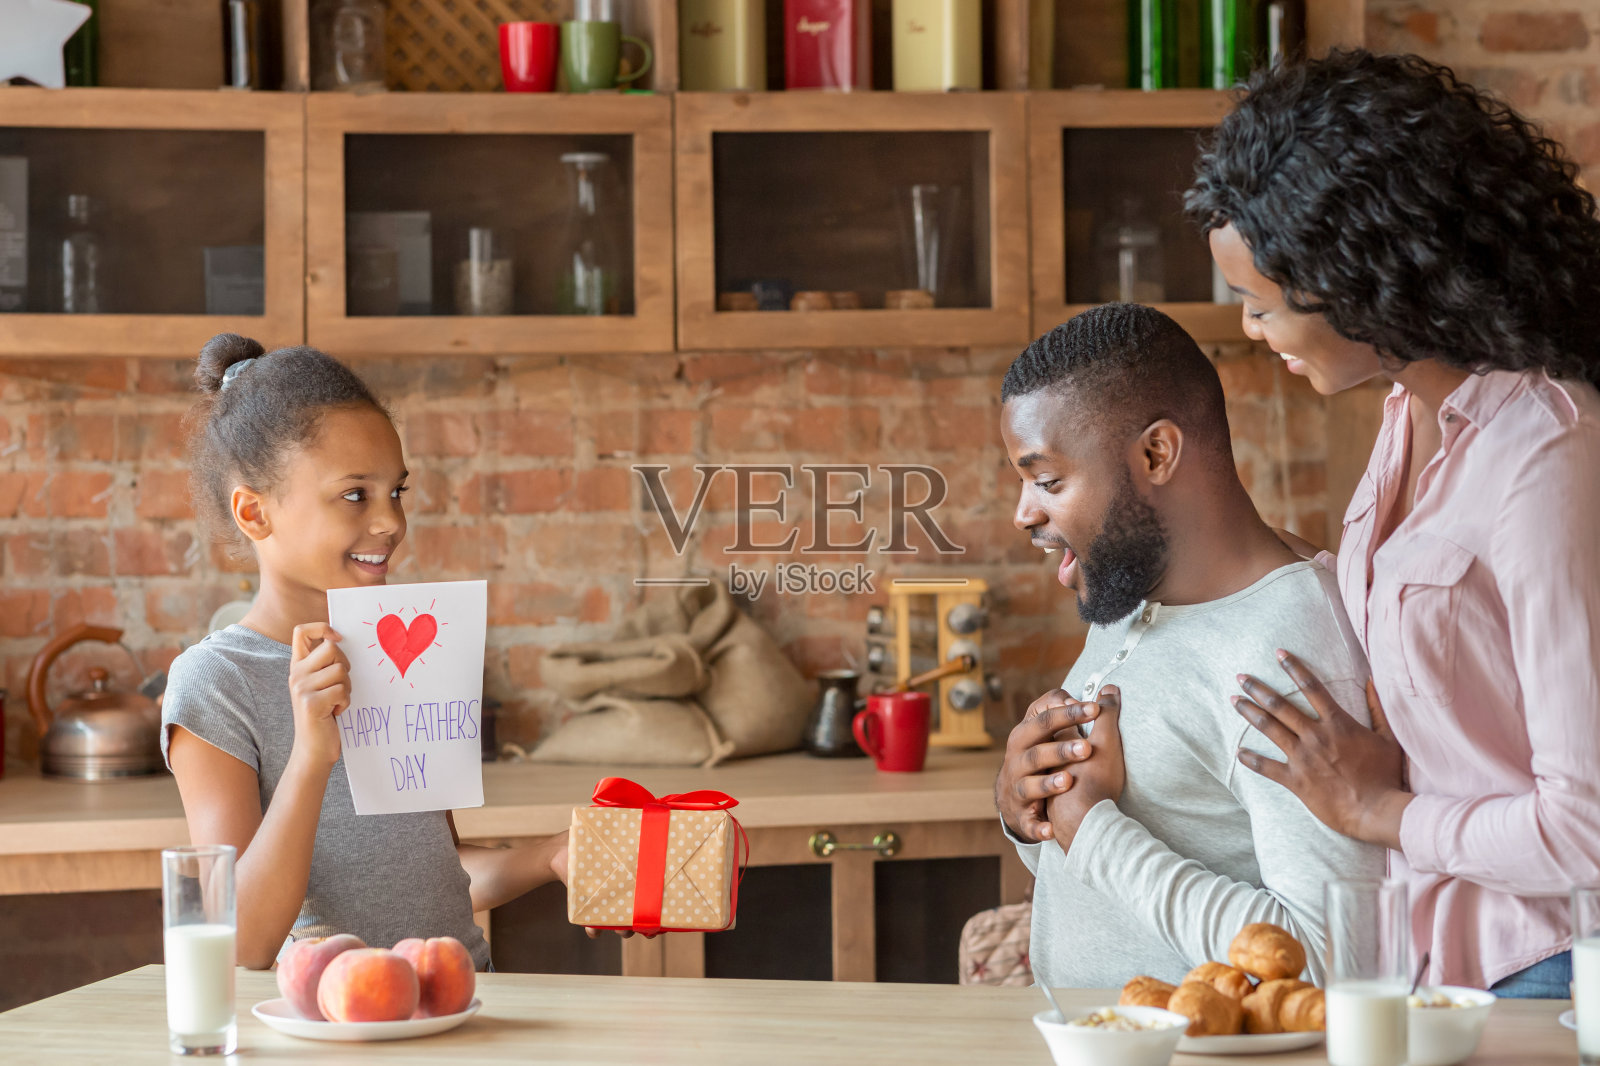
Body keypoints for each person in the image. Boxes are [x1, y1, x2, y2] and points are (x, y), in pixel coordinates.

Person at [1188, 49, 1600, 996]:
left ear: (1360, 273)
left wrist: (1380, 810)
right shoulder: (1404, 418)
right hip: (1436, 963)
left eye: (1258, 301)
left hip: (1548, 969)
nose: (1250, 329)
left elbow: (1583, 827)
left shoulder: (1544, 450)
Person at [992, 302, 1384, 989]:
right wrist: (1032, 810)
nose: (1024, 513)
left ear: (1156, 454)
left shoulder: (1285, 656)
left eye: (1048, 480)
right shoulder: (1132, 599)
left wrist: (1094, 832)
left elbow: (1334, 960)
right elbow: (1123, 861)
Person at [162, 333, 569, 971]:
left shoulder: (403, 653)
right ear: (254, 512)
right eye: (356, 494)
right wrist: (312, 756)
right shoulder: (216, 685)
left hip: (457, 1006)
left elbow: (434, 882)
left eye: (396, 491)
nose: (390, 522)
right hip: (332, 1026)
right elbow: (240, 943)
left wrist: (552, 856)